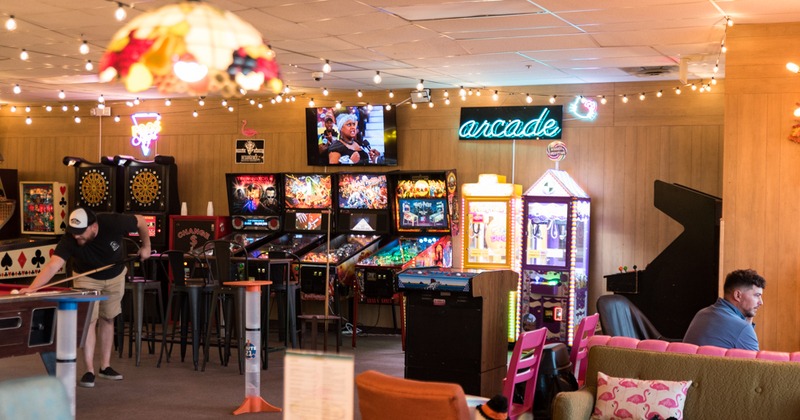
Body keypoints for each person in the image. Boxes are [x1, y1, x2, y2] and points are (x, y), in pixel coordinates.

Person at [21, 207, 151, 388]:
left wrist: (146, 246)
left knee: (108, 318)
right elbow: (52, 266)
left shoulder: (113, 222)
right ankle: (89, 370)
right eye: (74, 233)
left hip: (115, 275)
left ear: (94, 226)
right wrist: (32, 289)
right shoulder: (70, 238)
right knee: (90, 320)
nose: (76, 237)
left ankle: (105, 367)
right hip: (86, 276)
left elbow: (142, 221)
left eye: (81, 233)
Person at [682, 268, 765, 351]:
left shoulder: (701, 314)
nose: (761, 302)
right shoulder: (742, 328)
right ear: (737, 295)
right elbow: (757, 364)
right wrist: (746, 327)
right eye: (757, 295)